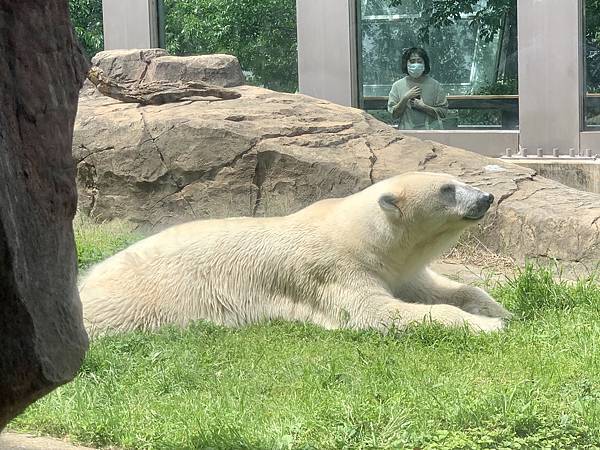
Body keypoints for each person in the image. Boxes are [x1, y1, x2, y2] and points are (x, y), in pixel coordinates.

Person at [387, 47, 448, 130]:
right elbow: (393, 115)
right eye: (412, 61)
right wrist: (405, 99)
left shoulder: (435, 85)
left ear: (424, 64)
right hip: (406, 135)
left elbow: (443, 113)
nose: (416, 64)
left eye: (419, 61)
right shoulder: (397, 86)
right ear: (406, 63)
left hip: (431, 134)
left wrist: (423, 107)